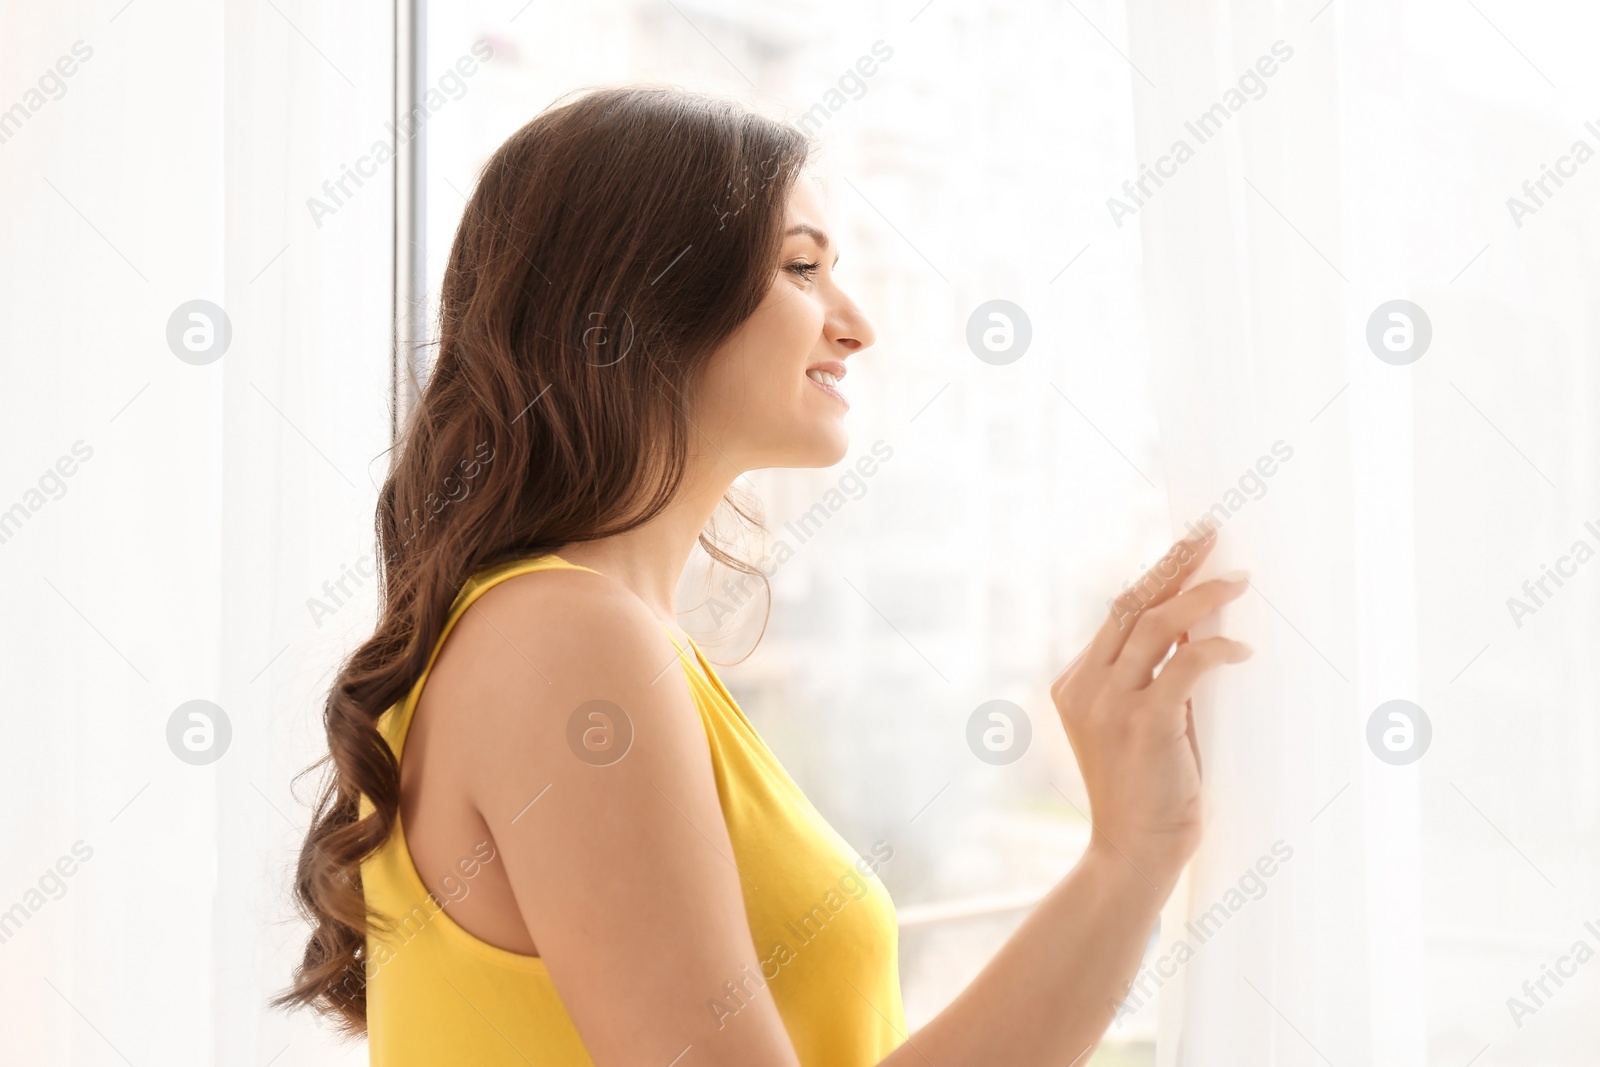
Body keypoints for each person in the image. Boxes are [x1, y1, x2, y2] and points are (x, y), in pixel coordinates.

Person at [278, 85, 1252, 1066]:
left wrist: (1135, 850)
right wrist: (1126, 856)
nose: (857, 324)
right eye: (801, 268)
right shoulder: (564, 639)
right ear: (640, 301)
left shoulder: (586, 635)